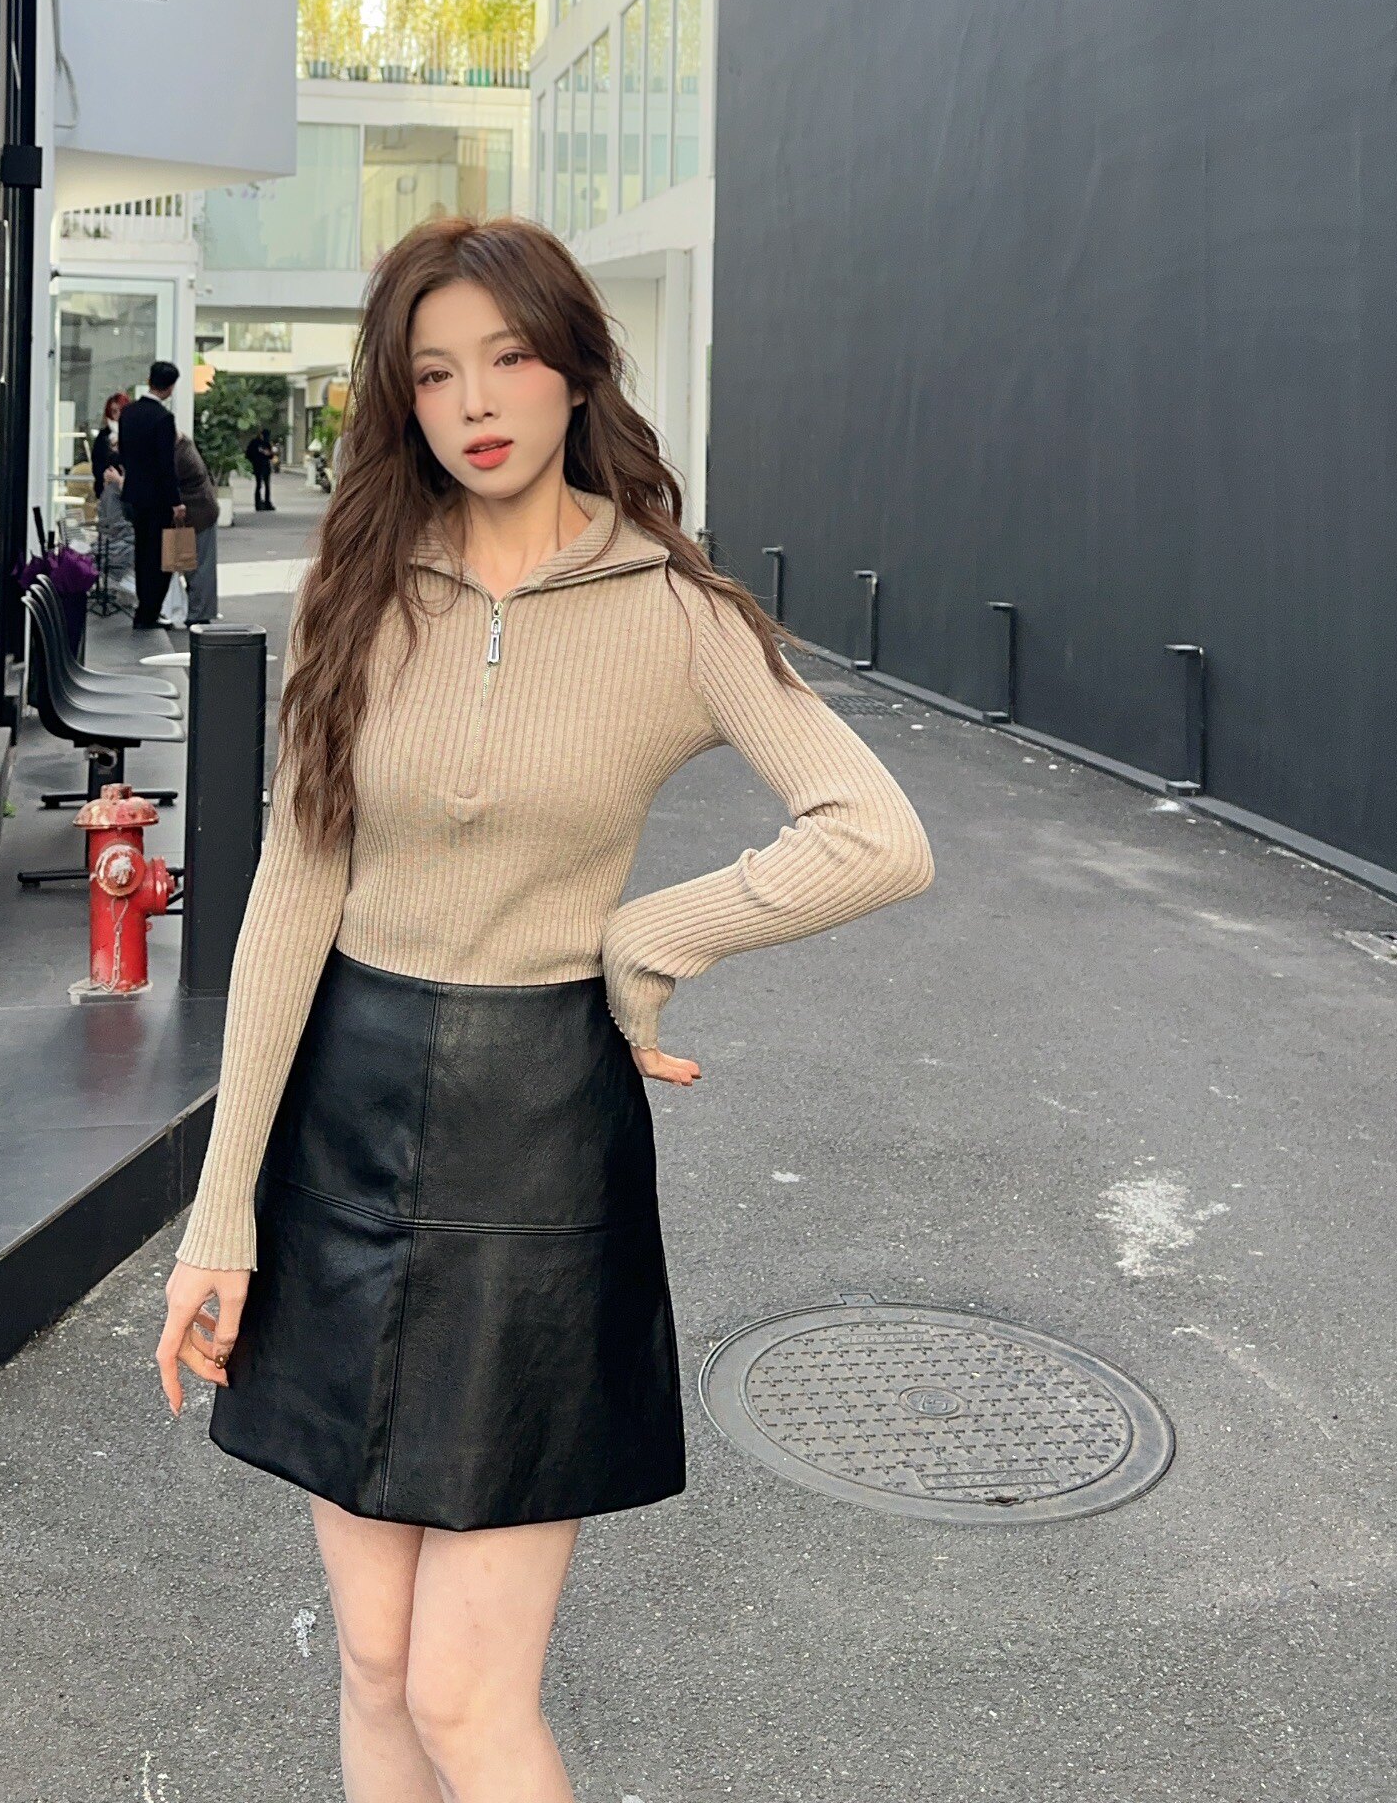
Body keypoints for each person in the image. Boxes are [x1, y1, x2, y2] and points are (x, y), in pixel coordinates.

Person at [156, 216, 933, 1799]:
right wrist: (220, 1213)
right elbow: (296, 887)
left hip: (539, 1145)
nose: (476, 402)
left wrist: (652, 935)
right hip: (340, 1122)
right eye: (436, 372)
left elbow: (878, 836)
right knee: (374, 1663)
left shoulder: (677, 611)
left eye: (509, 358)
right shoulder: (361, 587)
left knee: (466, 1697)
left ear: (577, 370)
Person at [108, 362, 186, 630]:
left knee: (142, 553)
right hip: (158, 499)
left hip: (134, 494)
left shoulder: (128, 413)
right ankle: (149, 612)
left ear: (149, 379)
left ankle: (144, 609)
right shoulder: (163, 418)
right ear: (170, 387)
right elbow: (166, 465)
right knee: (161, 558)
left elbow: (124, 452)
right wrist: (176, 501)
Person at [174, 421, 220, 625]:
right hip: (199, 512)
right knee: (196, 566)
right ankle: (197, 611)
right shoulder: (184, 447)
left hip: (199, 514)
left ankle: (199, 613)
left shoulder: (179, 454)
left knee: (199, 567)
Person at [245, 426, 277, 513]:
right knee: (259, 485)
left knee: (267, 485)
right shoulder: (254, 443)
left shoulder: (267, 443)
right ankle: (258, 503)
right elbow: (248, 454)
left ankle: (267, 503)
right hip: (257, 466)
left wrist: (268, 453)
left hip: (265, 466)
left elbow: (271, 456)